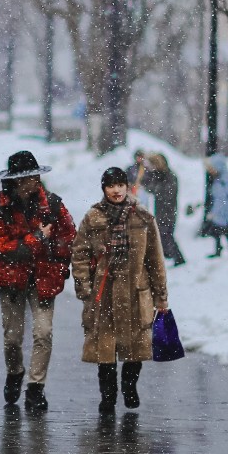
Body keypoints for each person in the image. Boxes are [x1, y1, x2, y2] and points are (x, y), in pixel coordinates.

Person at [72, 166, 170, 414]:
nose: (116, 191)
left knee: (135, 347)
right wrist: (83, 285)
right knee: (105, 350)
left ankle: (129, 385)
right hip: (103, 292)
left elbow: (155, 259)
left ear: (127, 187)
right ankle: (107, 395)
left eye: (120, 185)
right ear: (103, 188)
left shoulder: (143, 218)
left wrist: (161, 296)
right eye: (110, 186)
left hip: (136, 292)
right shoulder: (93, 218)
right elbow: (80, 253)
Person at [0, 150, 74, 413]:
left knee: (43, 332)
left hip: (43, 277)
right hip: (10, 280)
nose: (32, 181)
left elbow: (68, 236)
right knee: (12, 338)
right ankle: (15, 372)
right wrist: (35, 239)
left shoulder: (53, 204)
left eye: (34, 176)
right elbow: (0, 245)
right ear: (14, 181)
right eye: (25, 178)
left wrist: (59, 260)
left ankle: (36, 387)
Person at [136, 151, 184, 267]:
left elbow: (163, 191)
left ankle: (178, 258)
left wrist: (151, 185)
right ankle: (171, 255)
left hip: (169, 210)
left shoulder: (169, 176)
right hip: (161, 209)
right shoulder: (159, 175)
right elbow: (147, 183)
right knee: (163, 234)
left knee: (166, 234)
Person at [195, 152, 228, 258]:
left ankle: (219, 250)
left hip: (223, 211)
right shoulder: (222, 179)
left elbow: (221, 200)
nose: (210, 171)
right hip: (224, 211)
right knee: (223, 230)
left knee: (217, 231)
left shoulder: (222, 181)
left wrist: (213, 213)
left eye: (212, 168)